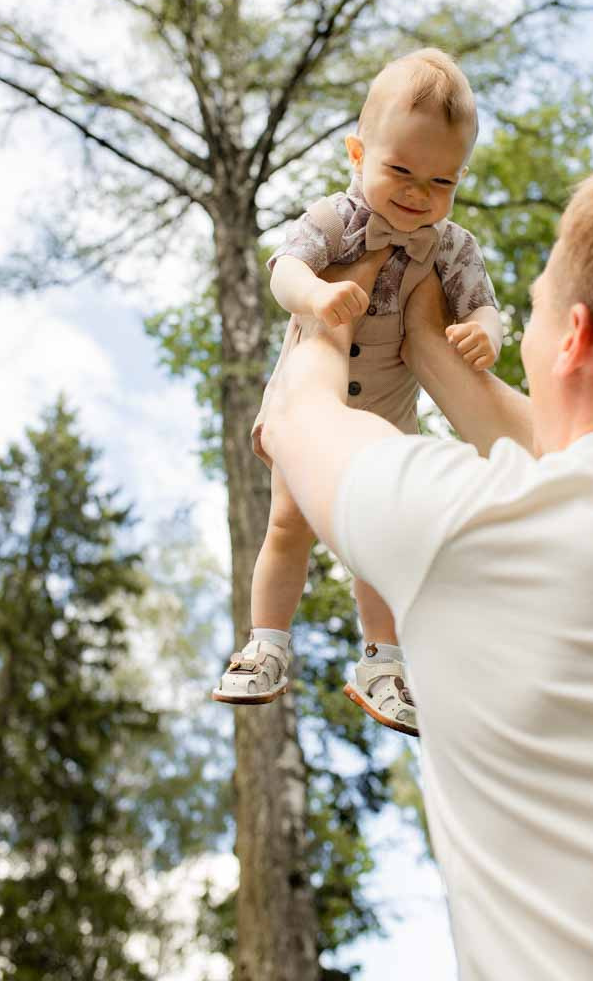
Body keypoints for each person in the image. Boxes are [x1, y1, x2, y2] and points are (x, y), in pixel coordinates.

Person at [261, 157, 593, 981]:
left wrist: (334, 306)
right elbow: (581, 450)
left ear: (574, 337)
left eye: (533, 306)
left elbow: (297, 414)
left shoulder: (466, 528)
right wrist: (428, 348)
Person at [212, 48, 502, 738]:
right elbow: (284, 268)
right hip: (308, 411)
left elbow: (483, 305)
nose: (417, 193)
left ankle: (382, 661)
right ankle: (266, 645)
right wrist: (315, 294)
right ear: (356, 151)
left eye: (441, 180)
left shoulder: (452, 247)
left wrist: (485, 334)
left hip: (385, 423)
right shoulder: (334, 221)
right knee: (287, 527)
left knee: (379, 542)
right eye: (400, 169)